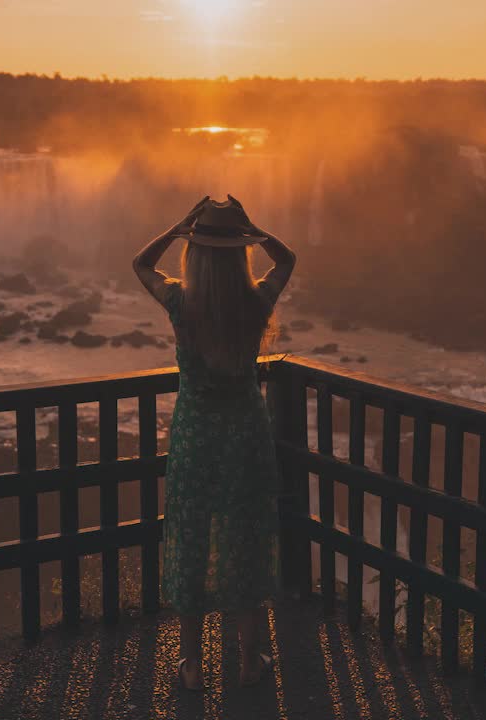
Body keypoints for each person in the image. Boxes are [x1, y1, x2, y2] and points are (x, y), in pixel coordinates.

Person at [132, 195, 297, 690]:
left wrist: (176, 226)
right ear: (239, 252)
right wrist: (255, 229)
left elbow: (140, 264)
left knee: (191, 535)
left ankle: (191, 666)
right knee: (243, 537)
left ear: (195, 254)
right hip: (246, 434)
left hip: (195, 436)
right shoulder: (257, 299)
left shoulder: (180, 300)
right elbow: (287, 260)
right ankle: (249, 661)